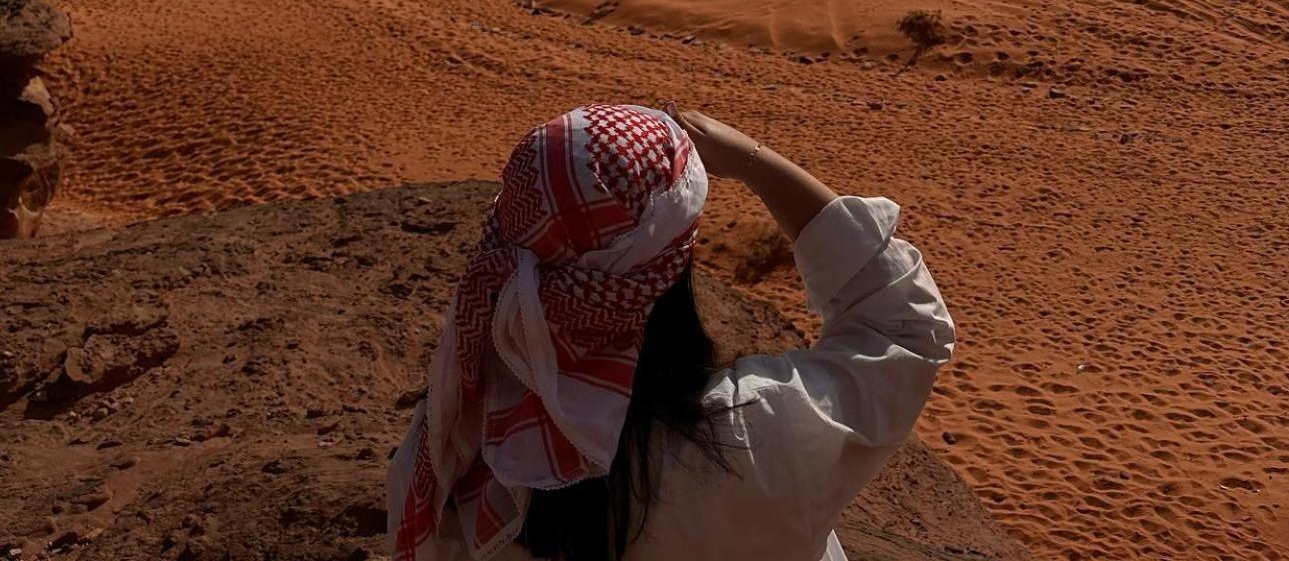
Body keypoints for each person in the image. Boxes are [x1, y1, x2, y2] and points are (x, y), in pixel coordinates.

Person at [386, 102, 954, 561]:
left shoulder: (456, 447)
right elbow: (900, 325)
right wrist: (754, 161)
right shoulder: (755, 433)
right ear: (669, 269)